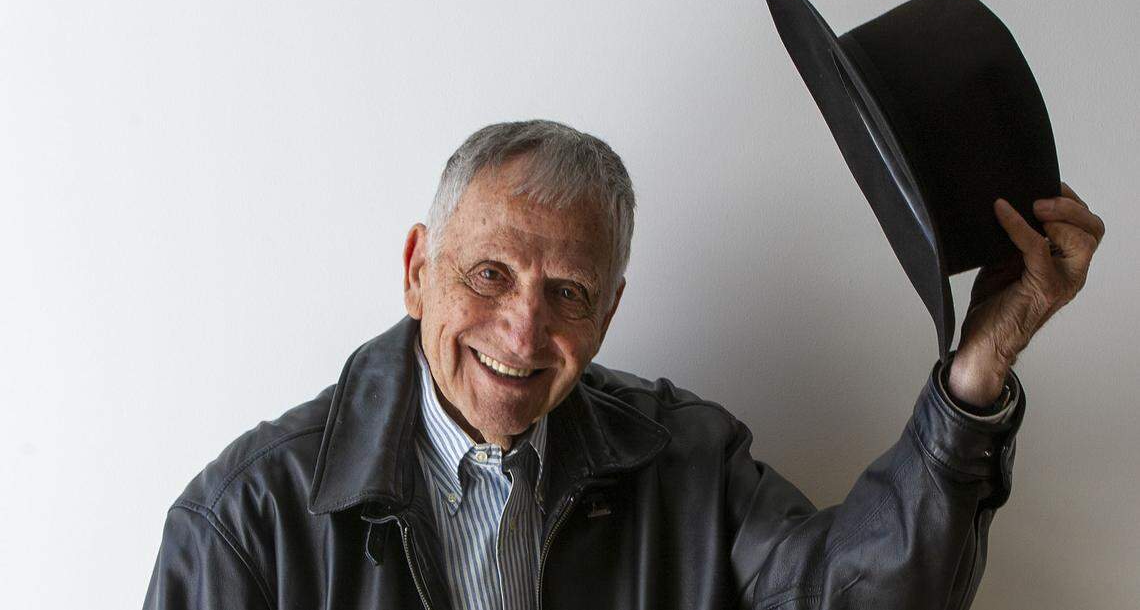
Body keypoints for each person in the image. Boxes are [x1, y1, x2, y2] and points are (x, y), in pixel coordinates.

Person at [143, 120, 1104, 609]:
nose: (522, 333)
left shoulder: (689, 461)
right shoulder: (244, 519)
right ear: (415, 273)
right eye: (489, 274)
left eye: (567, 292)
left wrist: (977, 370)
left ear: (609, 312)